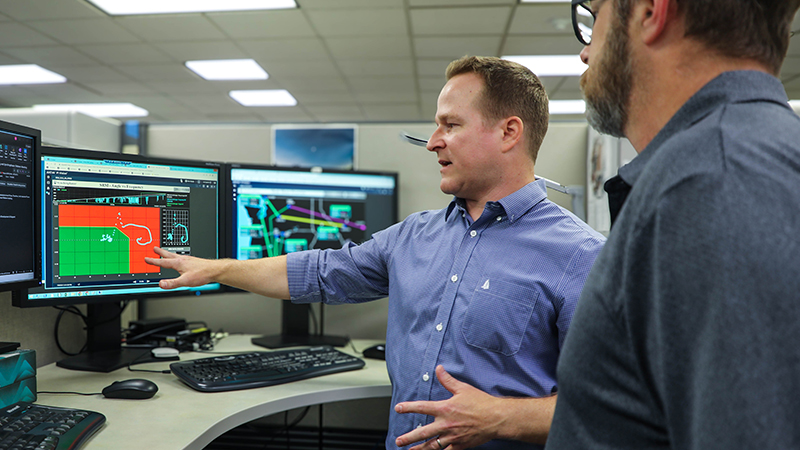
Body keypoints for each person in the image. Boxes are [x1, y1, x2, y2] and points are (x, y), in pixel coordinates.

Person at [146, 55, 605, 450]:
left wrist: (498, 418)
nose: (432, 141)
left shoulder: (580, 256)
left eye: (451, 125)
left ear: (509, 132)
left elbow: (610, 408)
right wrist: (217, 268)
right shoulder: (414, 235)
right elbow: (319, 273)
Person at [547, 1, 800, 449]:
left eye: (596, 15)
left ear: (651, 11)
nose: (585, 53)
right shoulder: (742, 158)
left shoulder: (715, 183)